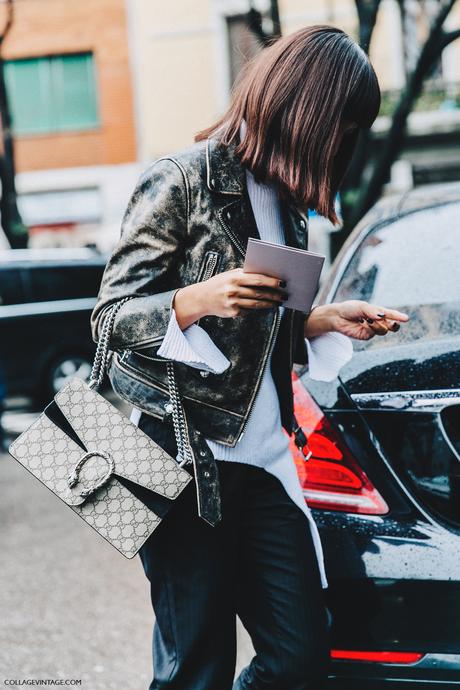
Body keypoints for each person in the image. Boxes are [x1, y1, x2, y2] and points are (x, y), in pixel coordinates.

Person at [90, 24, 410, 690]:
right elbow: (110, 319)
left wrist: (323, 320)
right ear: (309, 110)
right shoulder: (181, 180)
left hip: (263, 463)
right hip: (178, 460)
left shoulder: (288, 208)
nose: (344, 143)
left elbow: (260, 344)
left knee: (300, 657)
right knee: (196, 667)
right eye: (344, 126)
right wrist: (198, 298)